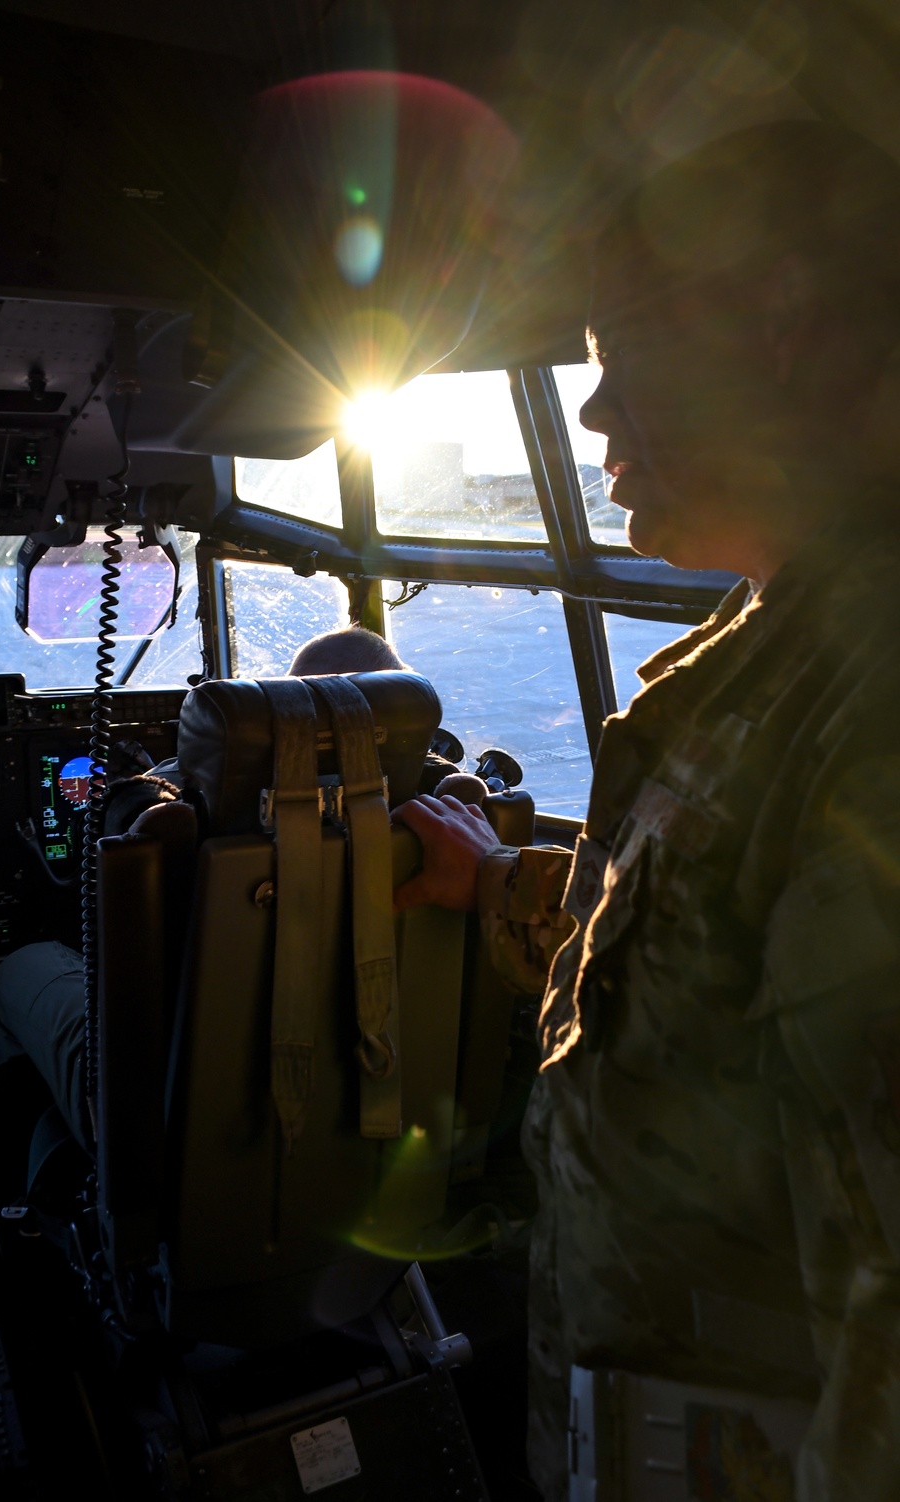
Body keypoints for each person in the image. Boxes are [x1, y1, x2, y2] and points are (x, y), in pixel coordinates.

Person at [393, 119, 900, 1501]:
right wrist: (498, 881)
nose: (597, 417)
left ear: (779, 331)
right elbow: (698, 958)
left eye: (616, 364)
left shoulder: (867, 710)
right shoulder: (776, 660)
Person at [0, 623, 425, 1154]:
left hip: (168, 1105)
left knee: (20, 967)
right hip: (376, 1077)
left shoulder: (175, 815)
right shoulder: (446, 816)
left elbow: (112, 844)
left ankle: (29, 1172)